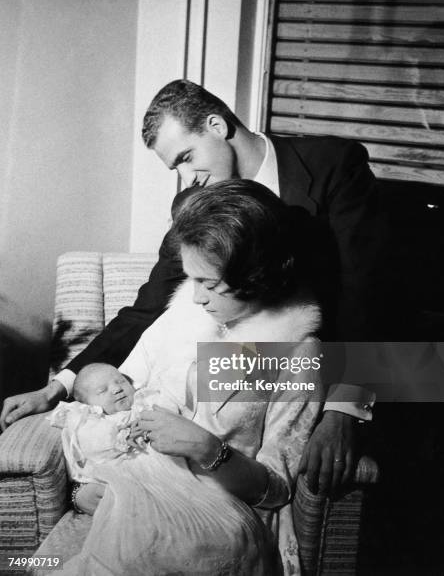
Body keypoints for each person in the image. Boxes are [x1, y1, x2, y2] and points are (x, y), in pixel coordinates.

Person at [1, 79, 382, 497]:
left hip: (308, 371)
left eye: (186, 157)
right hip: (219, 381)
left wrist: (344, 410)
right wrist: (59, 385)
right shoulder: (195, 206)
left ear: (216, 125)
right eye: (175, 169)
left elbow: (366, 295)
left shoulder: (333, 164)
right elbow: (145, 310)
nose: (187, 179)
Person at [35, 180, 323, 575]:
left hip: (213, 510)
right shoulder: (181, 316)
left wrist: (206, 448)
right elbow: (111, 400)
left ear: (257, 274)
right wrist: (93, 481)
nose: (196, 297)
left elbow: (277, 489)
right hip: (134, 487)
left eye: (208, 284)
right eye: (192, 280)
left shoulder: (297, 352)